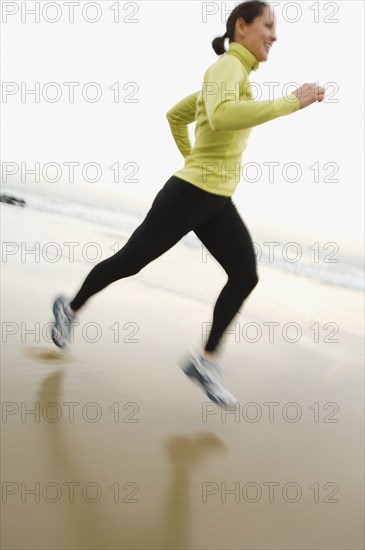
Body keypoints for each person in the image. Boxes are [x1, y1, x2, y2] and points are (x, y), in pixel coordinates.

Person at [51, 0, 325, 406]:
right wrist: (289, 103)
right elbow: (219, 116)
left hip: (214, 199)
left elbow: (177, 116)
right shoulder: (224, 68)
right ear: (242, 26)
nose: (274, 35)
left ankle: (205, 360)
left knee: (244, 274)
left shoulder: (232, 77)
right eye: (268, 25)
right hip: (191, 194)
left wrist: (193, 159)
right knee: (131, 261)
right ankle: (69, 309)